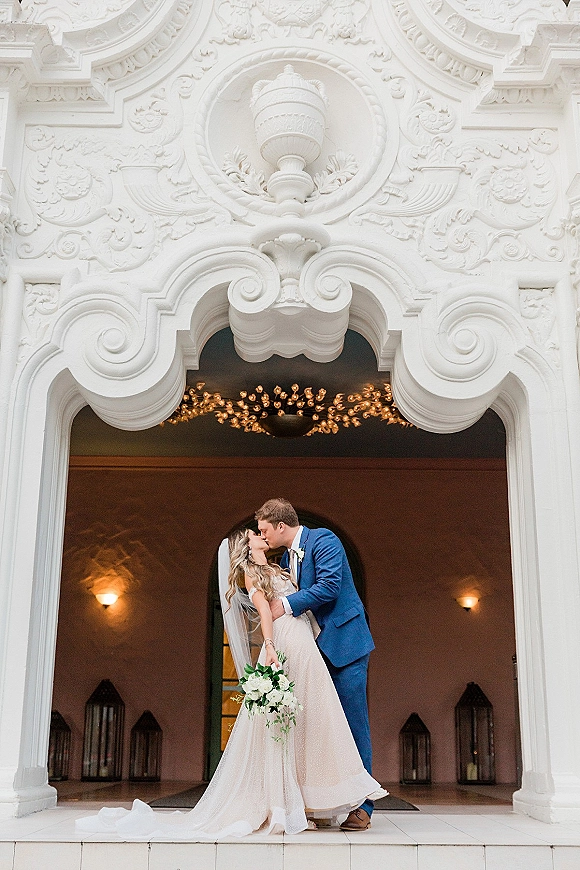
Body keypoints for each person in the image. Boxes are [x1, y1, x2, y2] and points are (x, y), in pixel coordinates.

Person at [75, 528, 385, 840]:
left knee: (313, 721)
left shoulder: (284, 564)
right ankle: (287, 804)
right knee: (287, 725)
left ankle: (313, 801)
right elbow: (266, 611)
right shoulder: (253, 574)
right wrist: (270, 646)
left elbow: (318, 591)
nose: (260, 533)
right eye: (255, 533)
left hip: (308, 643)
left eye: (262, 528)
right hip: (287, 642)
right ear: (247, 548)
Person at [256, 497, 376, 831]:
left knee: (353, 725)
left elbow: (329, 587)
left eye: (265, 530)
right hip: (315, 652)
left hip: (346, 645)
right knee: (322, 729)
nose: (263, 536)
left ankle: (364, 806)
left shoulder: (323, 540)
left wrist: (285, 605)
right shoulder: (286, 559)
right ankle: (322, 801)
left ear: (281, 526)